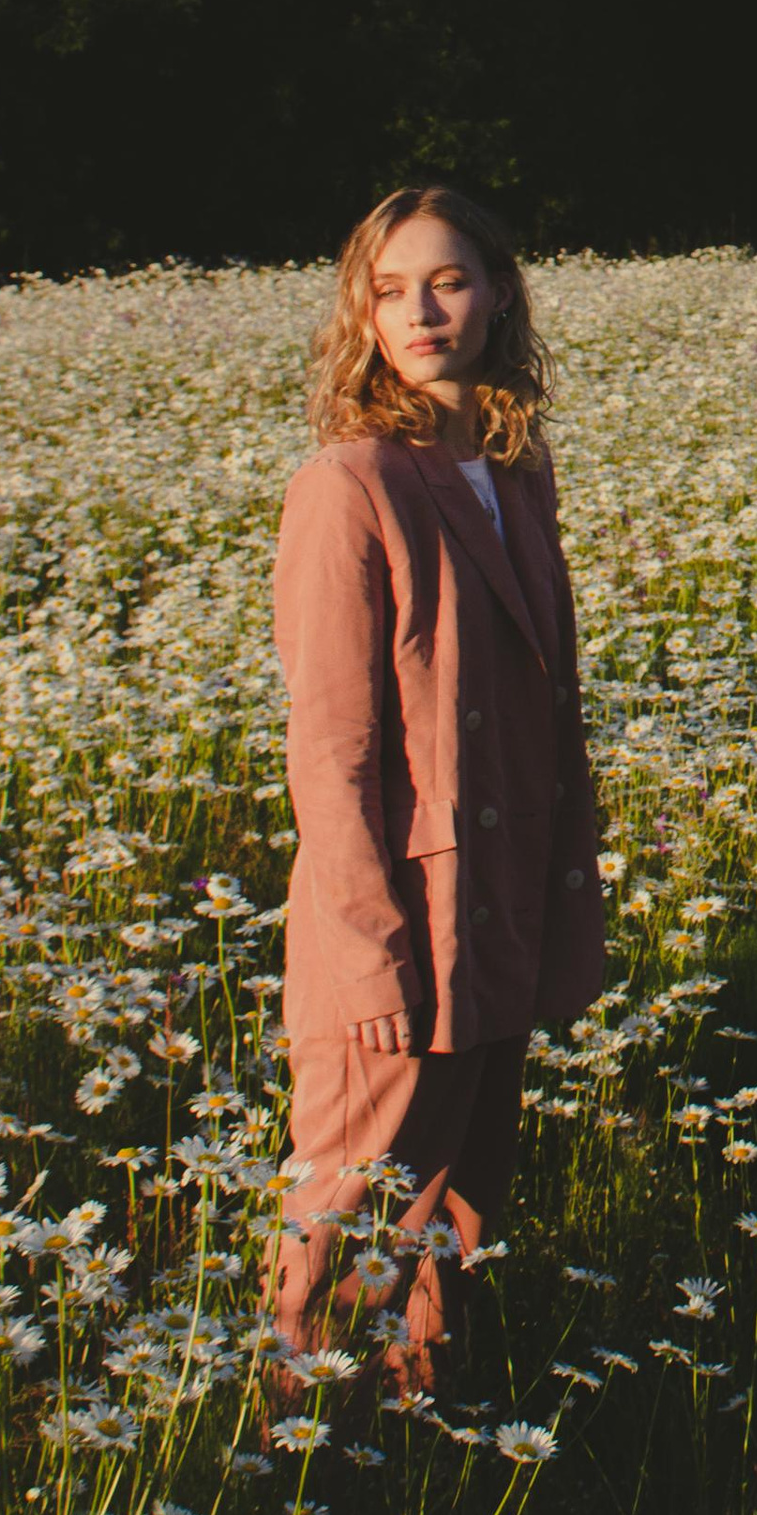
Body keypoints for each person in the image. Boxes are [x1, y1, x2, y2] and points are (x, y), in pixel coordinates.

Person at [270, 184, 605, 1391]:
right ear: (363, 311)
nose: (421, 311)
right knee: (348, 1226)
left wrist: (567, 904)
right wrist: (365, 949)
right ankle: (304, 1470)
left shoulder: (516, 479)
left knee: (459, 1228)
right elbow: (333, 749)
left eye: (449, 281)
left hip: (498, 913)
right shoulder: (349, 487)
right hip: (398, 928)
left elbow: (549, 719)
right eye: (393, 287)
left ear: (499, 295)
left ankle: (425, 1471)